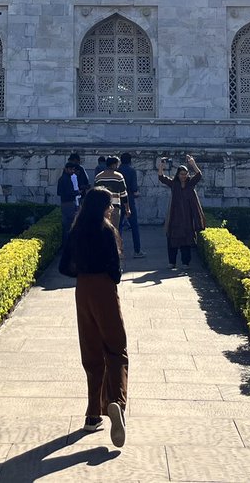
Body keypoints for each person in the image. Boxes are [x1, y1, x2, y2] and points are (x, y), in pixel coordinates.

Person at [58, 186, 128, 447]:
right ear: (102, 207)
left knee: (91, 352)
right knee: (116, 348)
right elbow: (116, 271)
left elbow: (65, 267)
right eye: (109, 204)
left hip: (83, 290)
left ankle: (92, 415)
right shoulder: (106, 229)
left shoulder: (76, 229)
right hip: (103, 289)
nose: (111, 208)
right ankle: (116, 404)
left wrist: (84, 273)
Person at [158, 154, 205, 270]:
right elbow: (161, 178)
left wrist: (192, 164)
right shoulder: (174, 184)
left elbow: (199, 175)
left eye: (185, 174)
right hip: (175, 216)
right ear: (178, 175)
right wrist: (161, 166)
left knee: (186, 241)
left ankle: (185, 262)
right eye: (181, 174)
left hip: (187, 217)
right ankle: (172, 262)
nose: (183, 176)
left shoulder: (190, 184)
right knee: (172, 239)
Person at [117, 152, 144, 257]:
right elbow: (134, 188)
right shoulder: (132, 171)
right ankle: (137, 251)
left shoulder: (118, 171)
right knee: (134, 226)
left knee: (118, 227)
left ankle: (118, 250)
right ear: (130, 160)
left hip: (119, 200)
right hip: (129, 200)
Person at [94, 156, 129, 225]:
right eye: (117, 164)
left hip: (102, 208)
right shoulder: (119, 176)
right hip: (115, 207)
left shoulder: (98, 177)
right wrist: (127, 208)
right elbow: (124, 194)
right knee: (114, 230)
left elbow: (95, 194)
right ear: (113, 165)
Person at [56, 161, 84, 237]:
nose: (72, 171)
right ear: (66, 169)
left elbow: (59, 192)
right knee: (70, 225)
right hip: (69, 203)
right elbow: (68, 192)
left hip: (65, 203)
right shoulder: (66, 179)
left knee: (67, 225)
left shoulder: (62, 178)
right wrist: (77, 192)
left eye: (73, 170)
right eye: (71, 170)